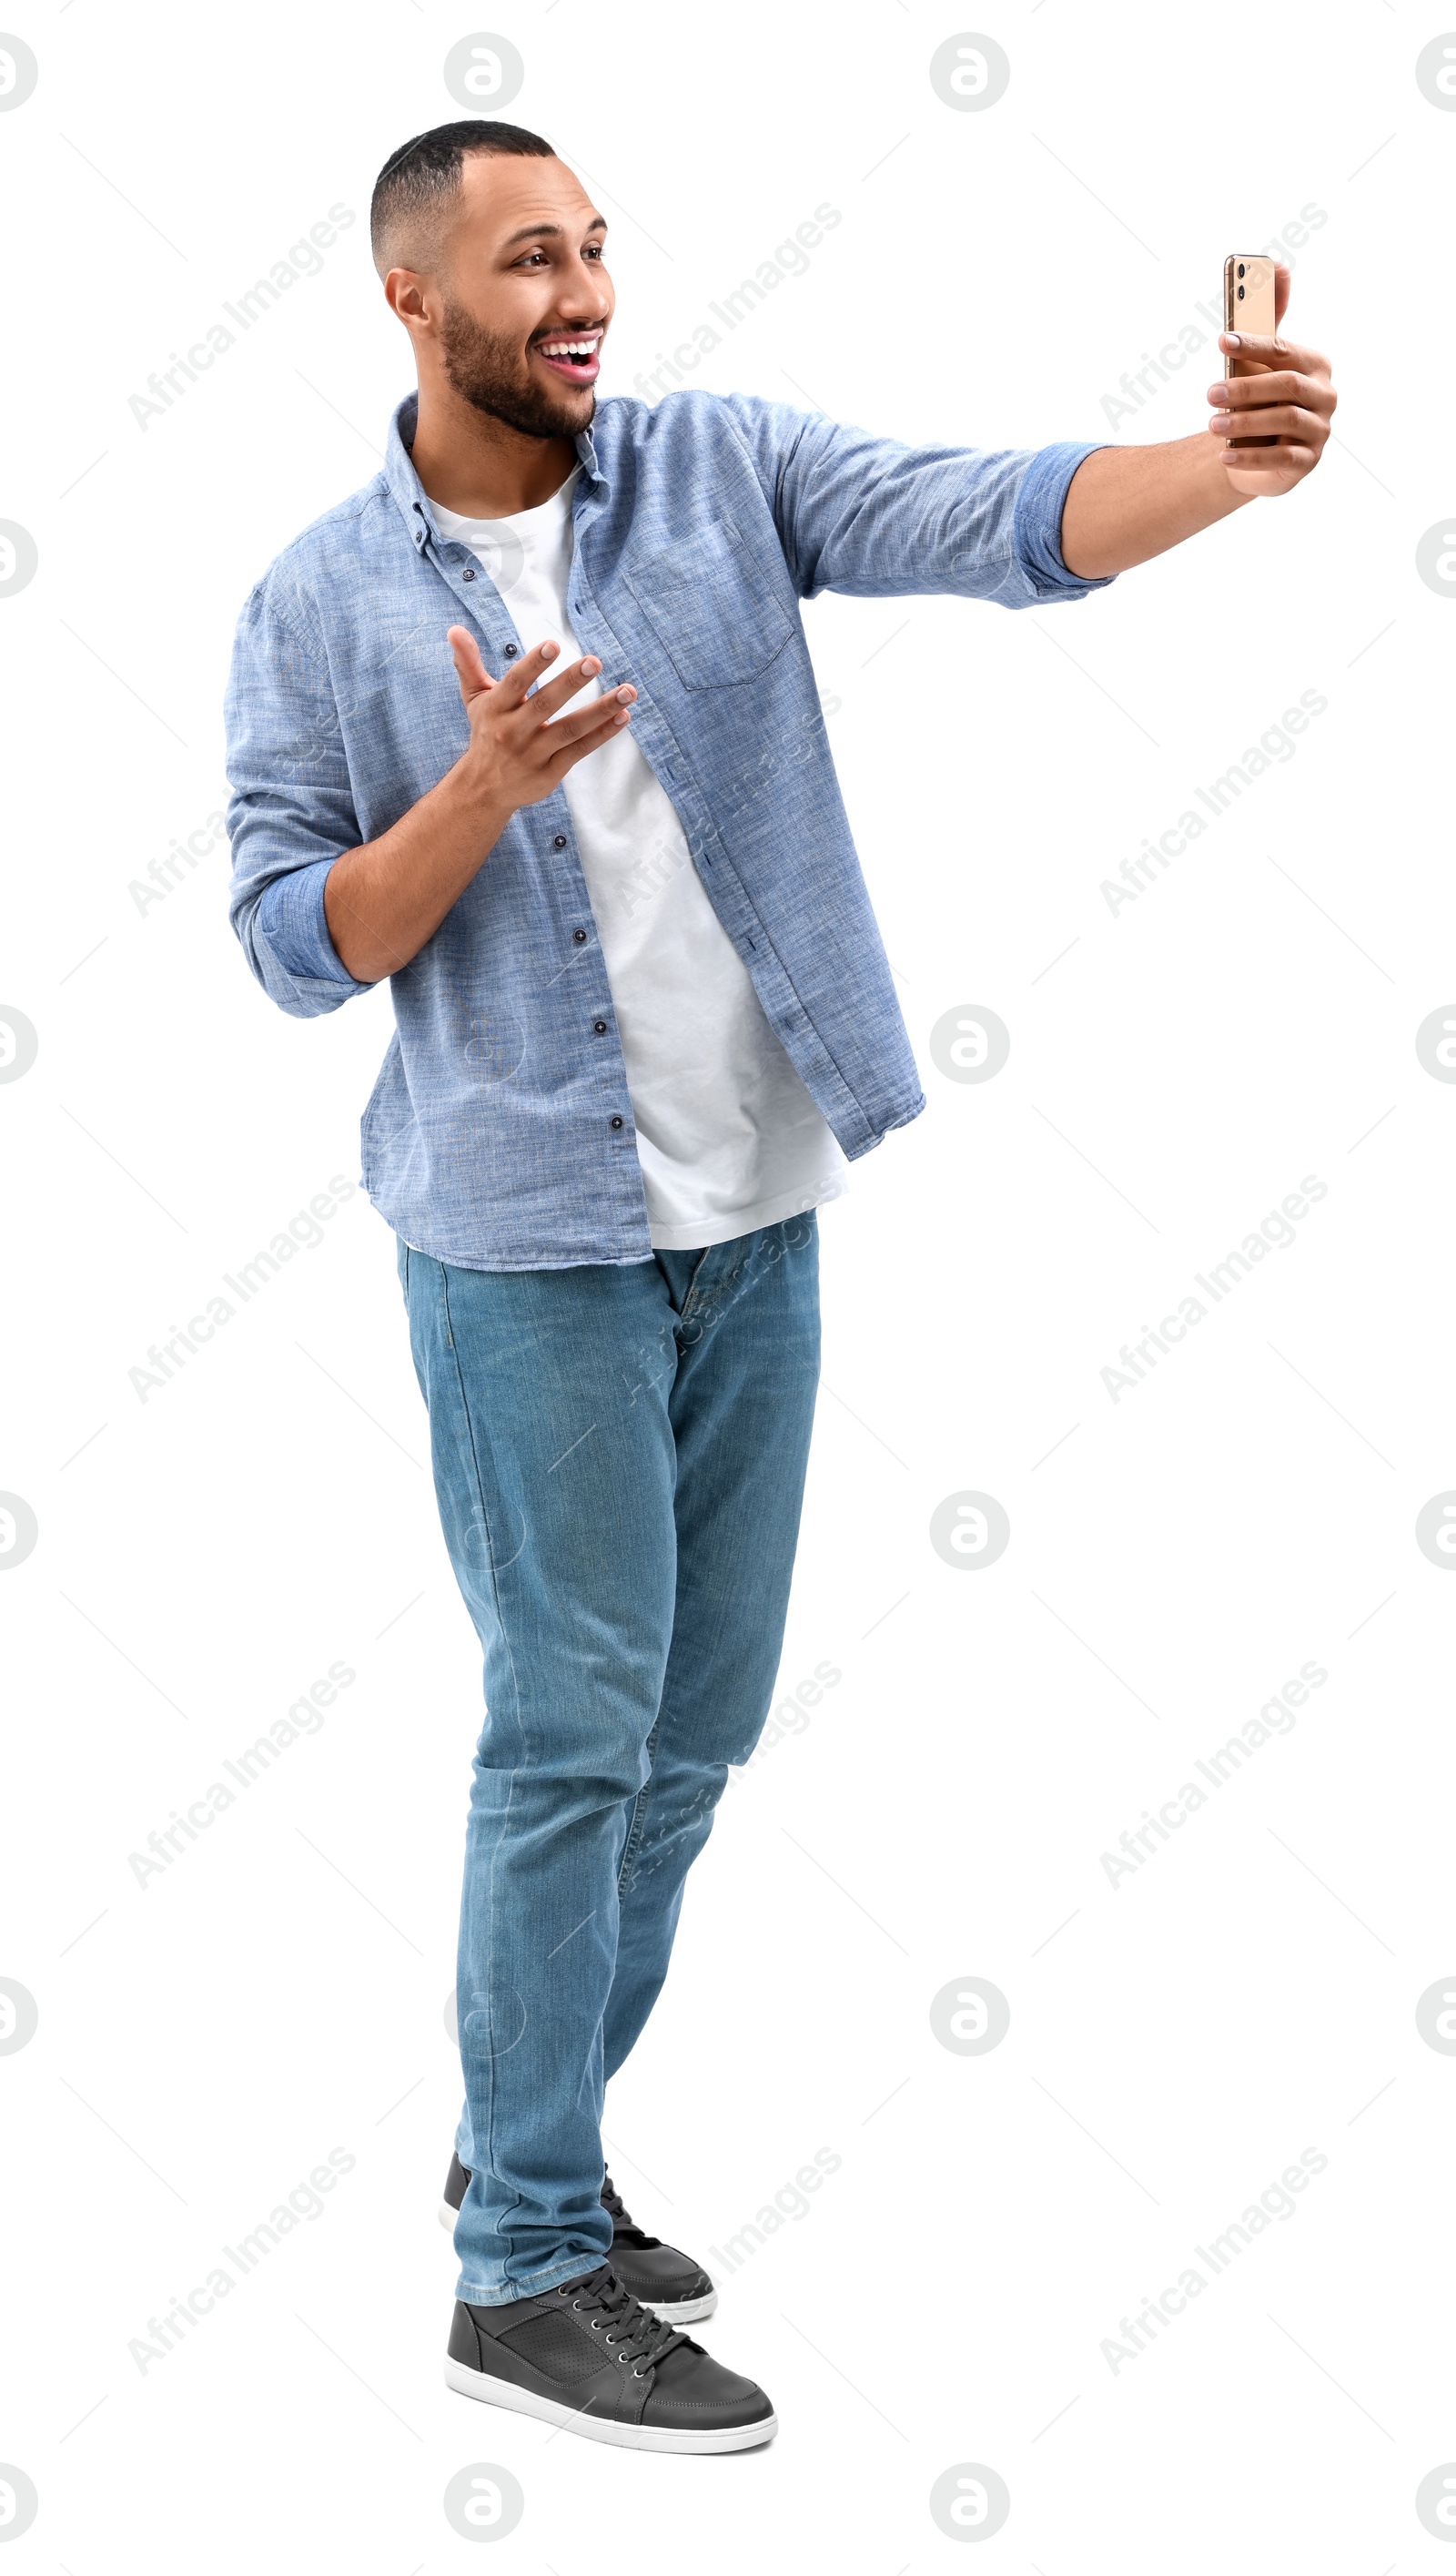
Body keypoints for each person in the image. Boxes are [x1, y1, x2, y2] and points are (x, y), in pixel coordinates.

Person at [224, 118, 1336, 2453]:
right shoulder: (322, 599)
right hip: (521, 1248)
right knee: (566, 1734)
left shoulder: (711, 474)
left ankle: (522, 2140)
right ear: (415, 303)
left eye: (601, 246)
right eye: (533, 259)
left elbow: (997, 520)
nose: (587, 287)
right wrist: (473, 796)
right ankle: (519, 2260)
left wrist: (1212, 472)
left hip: (751, 1215)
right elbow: (287, 945)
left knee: (691, 1739)